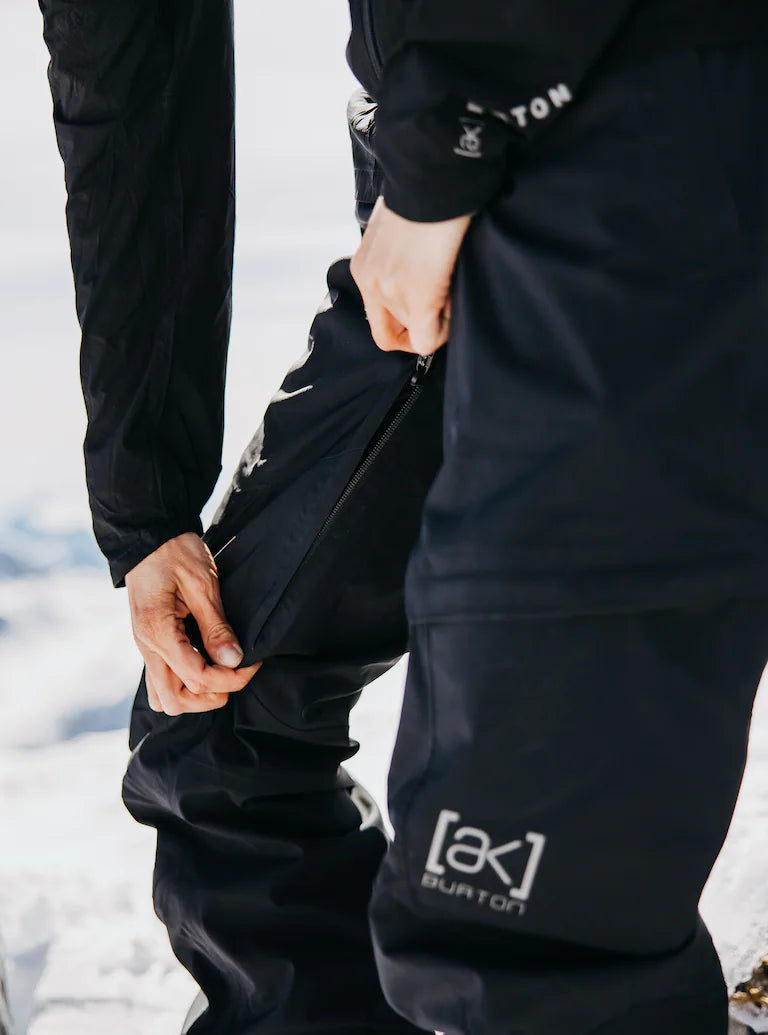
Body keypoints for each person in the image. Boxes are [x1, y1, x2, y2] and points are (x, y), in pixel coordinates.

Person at [38, 1, 768, 1033]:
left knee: (518, 936)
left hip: (632, 175)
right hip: (439, 226)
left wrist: (445, 135)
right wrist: (145, 508)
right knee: (219, 720)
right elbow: (126, 72)